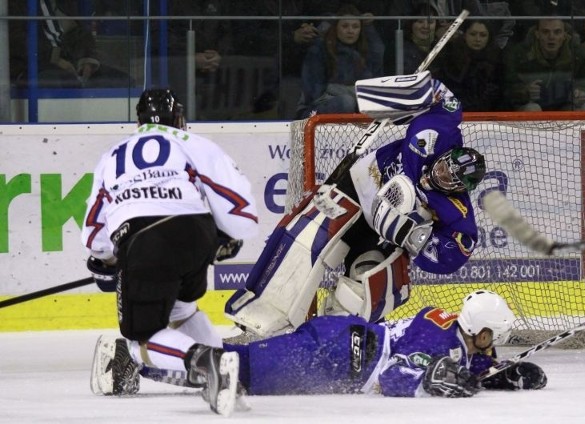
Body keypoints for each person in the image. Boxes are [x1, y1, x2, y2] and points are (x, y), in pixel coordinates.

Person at [226, 74, 486, 338]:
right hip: (360, 184)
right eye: (442, 167)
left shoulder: (456, 211)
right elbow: (448, 101)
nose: (438, 175)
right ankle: (255, 323)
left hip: (384, 231)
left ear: (459, 189)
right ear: (444, 155)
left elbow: (454, 253)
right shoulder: (437, 132)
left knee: (366, 280)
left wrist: (415, 237)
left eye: (447, 179)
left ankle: (332, 343)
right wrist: (410, 90)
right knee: (304, 240)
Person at [82, 88, 259, 415]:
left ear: (137, 121)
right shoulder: (194, 143)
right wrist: (225, 237)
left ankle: (208, 364)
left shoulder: (113, 155)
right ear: (179, 118)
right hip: (195, 233)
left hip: (142, 241)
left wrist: (105, 259)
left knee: (143, 338)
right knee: (181, 311)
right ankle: (226, 382)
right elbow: (240, 211)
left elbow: (95, 229)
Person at [224, 290, 547, 397]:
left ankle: (191, 359)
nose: (493, 347)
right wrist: (429, 383)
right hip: (336, 352)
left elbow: (462, 366)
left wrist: (501, 374)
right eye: (494, 340)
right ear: (483, 333)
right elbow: (392, 377)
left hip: (346, 351)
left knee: (244, 374)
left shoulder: (456, 340)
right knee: (242, 368)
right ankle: (181, 355)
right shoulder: (437, 337)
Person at [9, 0, 133, 89]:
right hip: (32, 65)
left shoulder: (63, 3)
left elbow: (79, 32)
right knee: (63, 80)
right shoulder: (13, 4)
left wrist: (87, 58)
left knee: (123, 80)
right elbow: (16, 41)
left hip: (70, 61)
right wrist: (54, 57)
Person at [296, 4, 385, 118]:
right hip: (315, 109)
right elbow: (314, 92)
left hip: (355, 104)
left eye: (355, 26)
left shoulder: (365, 52)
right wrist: (355, 94)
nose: (350, 31)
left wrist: (370, 28)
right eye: (345, 26)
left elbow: (375, 86)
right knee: (346, 102)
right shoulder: (319, 49)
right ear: (336, 27)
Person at [502, 18, 585, 111]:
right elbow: (507, 87)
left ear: (565, 35)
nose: (551, 37)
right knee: (533, 109)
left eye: (557, 32)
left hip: (565, 105)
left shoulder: (577, 54)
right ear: (537, 34)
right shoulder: (520, 54)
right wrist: (525, 91)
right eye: (545, 32)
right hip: (530, 105)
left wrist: (581, 92)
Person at [432, 20, 504, 111]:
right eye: (473, 34)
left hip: (489, 113)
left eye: (483, 35)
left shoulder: (496, 59)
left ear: (489, 38)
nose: (477, 39)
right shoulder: (451, 58)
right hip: (455, 111)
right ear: (465, 35)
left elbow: (497, 92)